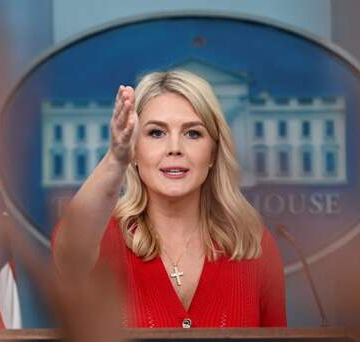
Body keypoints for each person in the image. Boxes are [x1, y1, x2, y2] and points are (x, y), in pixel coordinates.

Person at [53, 70, 286, 328]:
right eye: (156, 133)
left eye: (193, 133)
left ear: (213, 153)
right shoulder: (103, 237)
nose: (175, 148)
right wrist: (116, 158)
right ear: (134, 150)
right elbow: (69, 255)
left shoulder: (253, 244)